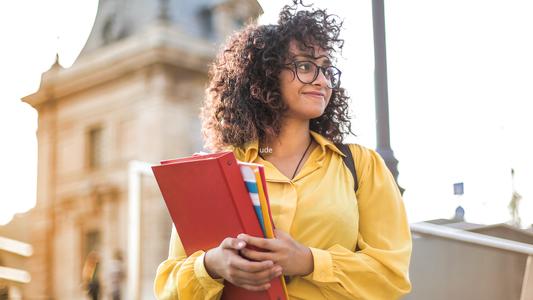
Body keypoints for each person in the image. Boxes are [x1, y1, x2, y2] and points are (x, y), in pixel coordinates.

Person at [154, 1, 412, 299]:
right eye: (305, 66)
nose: (322, 80)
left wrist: (309, 261)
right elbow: (168, 288)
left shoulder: (361, 166)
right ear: (265, 75)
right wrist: (211, 265)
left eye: (328, 69)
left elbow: (392, 276)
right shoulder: (216, 171)